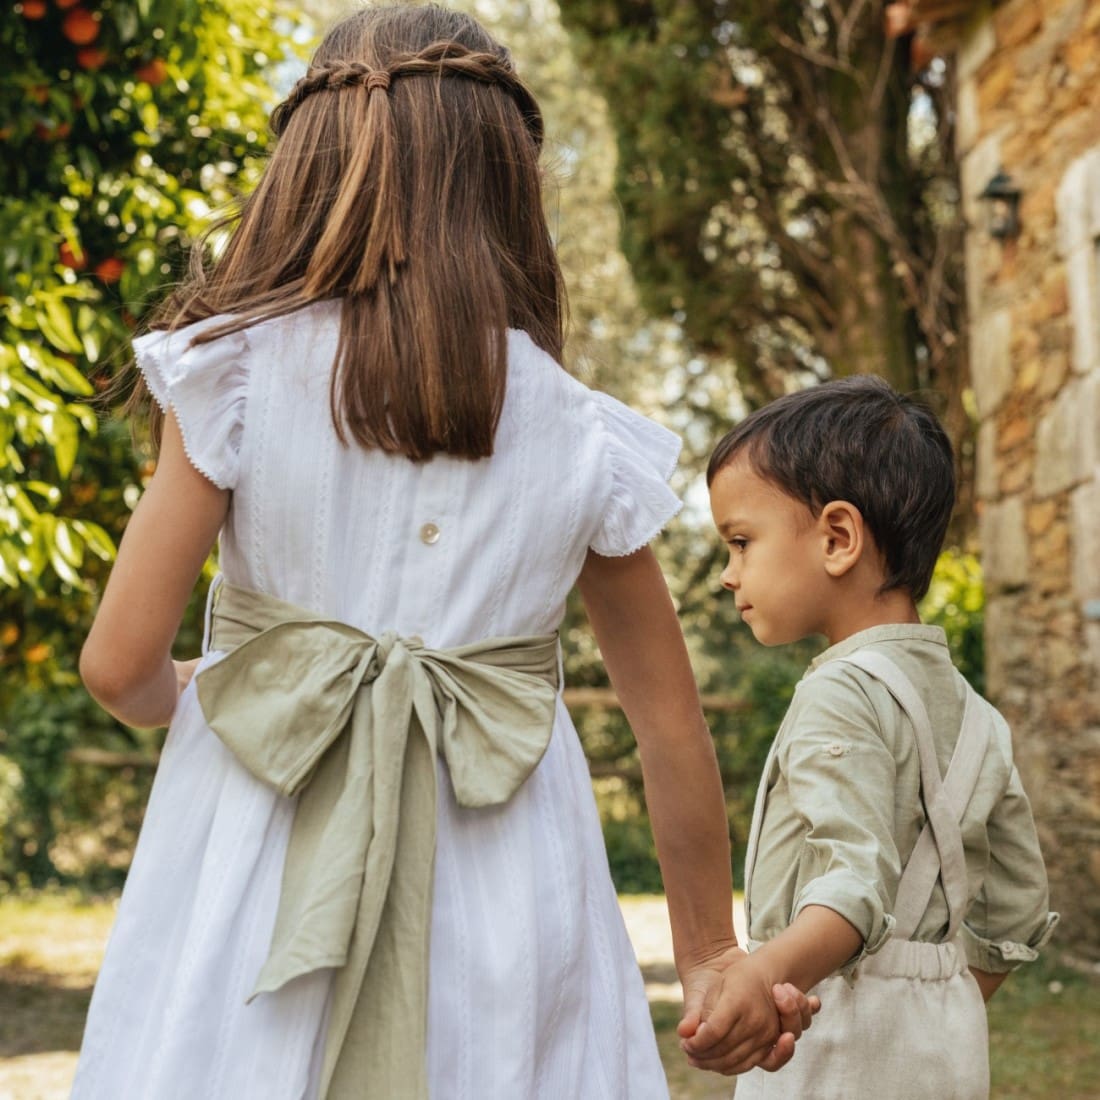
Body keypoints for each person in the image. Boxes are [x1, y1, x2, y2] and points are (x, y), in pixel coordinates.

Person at [70, 6, 813, 1098]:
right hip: (504, 877)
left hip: (255, 852)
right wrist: (707, 948)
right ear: (509, 187)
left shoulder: (228, 375)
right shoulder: (579, 431)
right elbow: (666, 723)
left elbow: (117, 666)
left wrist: (229, 683)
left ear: (309, 165)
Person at [680, 374, 1059, 1096]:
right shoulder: (977, 715)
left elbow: (853, 878)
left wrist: (763, 976)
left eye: (740, 541)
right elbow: (1014, 903)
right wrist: (933, 1002)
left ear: (838, 538)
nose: (730, 576)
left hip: (830, 1036)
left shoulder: (839, 691)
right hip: (947, 1047)